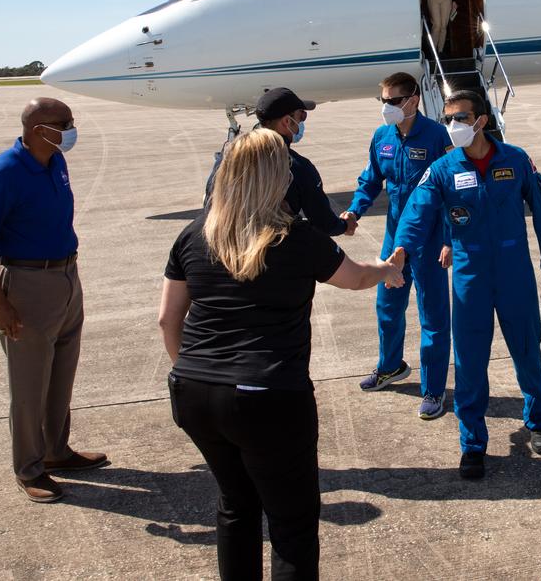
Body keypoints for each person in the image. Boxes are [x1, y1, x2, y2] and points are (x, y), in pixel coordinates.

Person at [159, 128, 404, 581]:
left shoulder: (193, 235)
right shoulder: (296, 237)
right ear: (278, 177)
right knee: (291, 526)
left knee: (236, 507)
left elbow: (168, 320)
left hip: (194, 390)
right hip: (268, 394)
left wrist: (197, 373)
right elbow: (354, 277)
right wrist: (389, 268)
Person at [392, 90, 541, 479]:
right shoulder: (442, 168)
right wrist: (402, 249)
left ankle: (538, 422)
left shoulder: (516, 160)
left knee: (526, 349)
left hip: (514, 271)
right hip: (470, 276)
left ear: (481, 121)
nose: (453, 126)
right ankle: (472, 443)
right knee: (469, 361)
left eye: (460, 119)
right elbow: (417, 213)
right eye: (449, 119)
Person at [0, 97, 108, 503]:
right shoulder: (2, 174)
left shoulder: (56, 161)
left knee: (62, 371)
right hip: (26, 283)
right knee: (28, 385)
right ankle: (29, 468)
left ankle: (56, 451)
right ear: (38, 129)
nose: (71, 128)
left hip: (65, 275)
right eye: (64, 123)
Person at [342, 72, 453, 419]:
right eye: (384, 101)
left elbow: (452, 192)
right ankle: (391, 366)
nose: (387, 107)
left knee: (433, 316)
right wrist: (355, 210)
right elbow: (371, 179)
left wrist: (450, 240)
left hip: (430, 239)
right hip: (394, 238)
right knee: (387, 306)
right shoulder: (382, 137)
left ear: (413, 100)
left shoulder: (438, 137)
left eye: (393, 101)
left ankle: (434, 389)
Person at [255, 87, 349, 237]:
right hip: (269, 249)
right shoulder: (297, 167)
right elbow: (324, 223)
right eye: (302, 116)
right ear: (287, 121)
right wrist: (345, 225)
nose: (301, 122)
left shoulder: (227, 157)